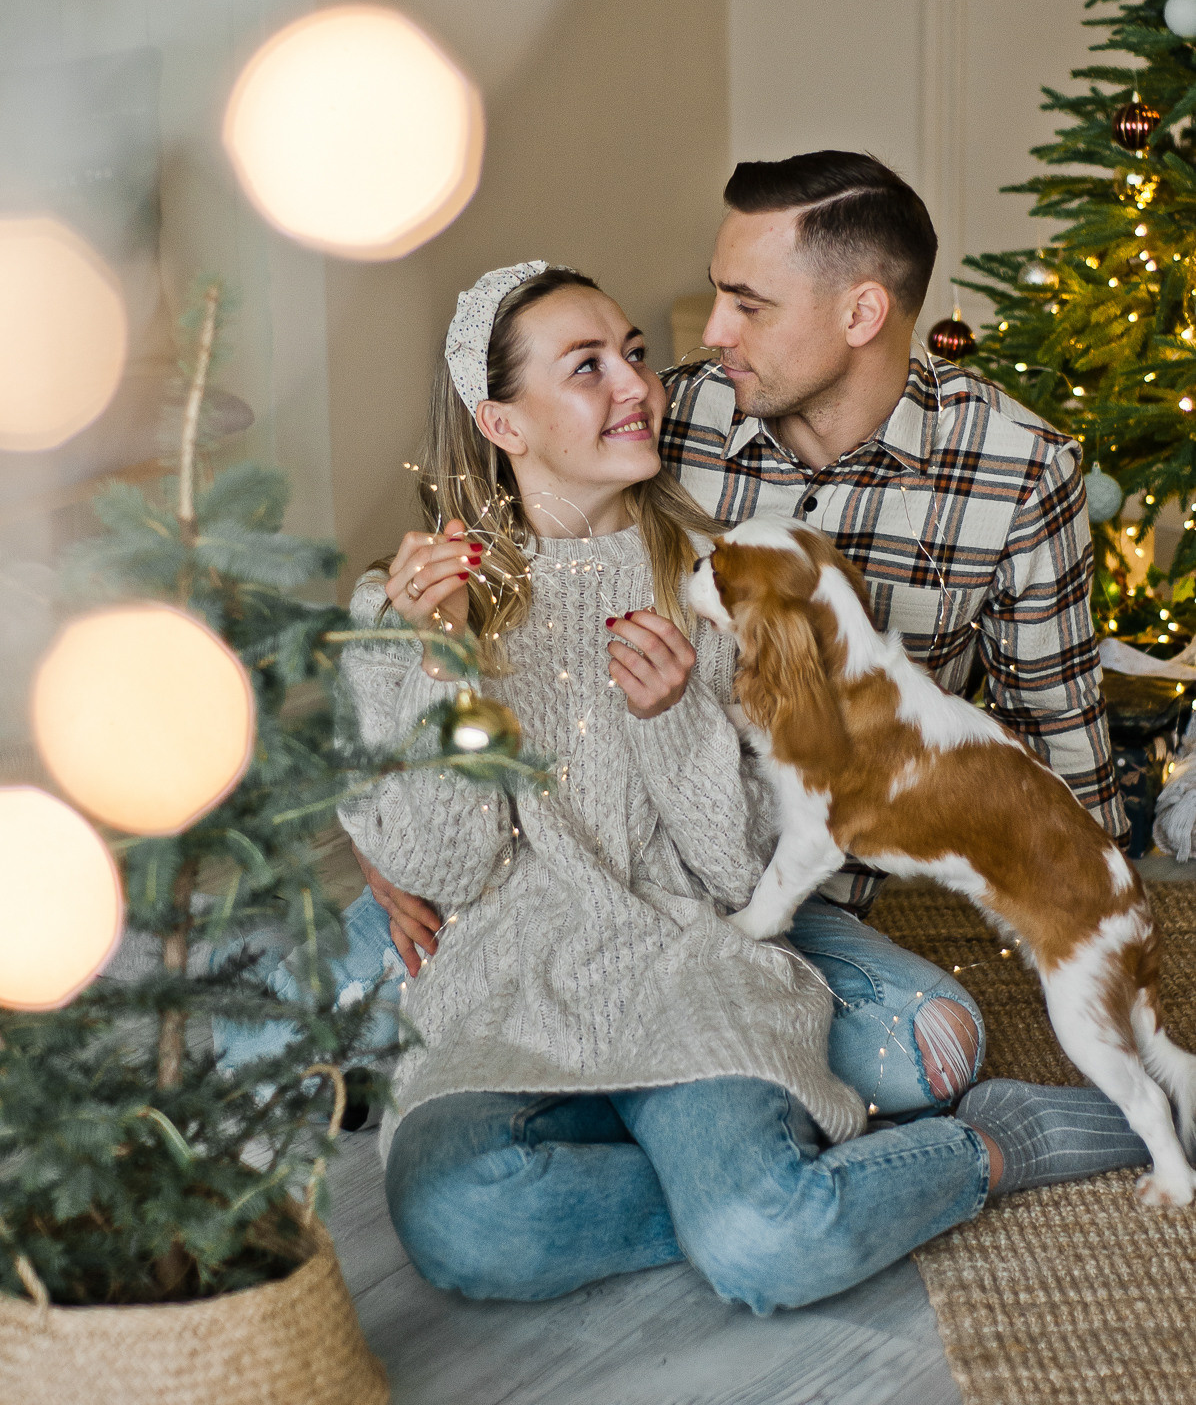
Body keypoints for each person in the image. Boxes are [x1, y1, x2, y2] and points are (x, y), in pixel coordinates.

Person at [333, 260, 1147, 1314]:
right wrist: (438, 665)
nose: (636, 385)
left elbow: (743, 871)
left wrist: (673, 726)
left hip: (692, 966)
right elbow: (443, 869)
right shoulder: (400, 606)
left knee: (766, 1242)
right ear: (503, 424)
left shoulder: (719, 586)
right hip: (504, 989)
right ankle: (767, 1184)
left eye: (633, 353)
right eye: (587, 367)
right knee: (465, 1221)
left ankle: (991, 1143)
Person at [660, 149, 1126, 916]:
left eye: (749, 305)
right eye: (719, 293)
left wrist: (1094, 925)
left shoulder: (1019, 469)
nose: (714, 331)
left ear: (861, 314)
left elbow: (1054, 734)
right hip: (653, 873)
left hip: (833, 913)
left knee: (939, 1034)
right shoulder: (662, 424)